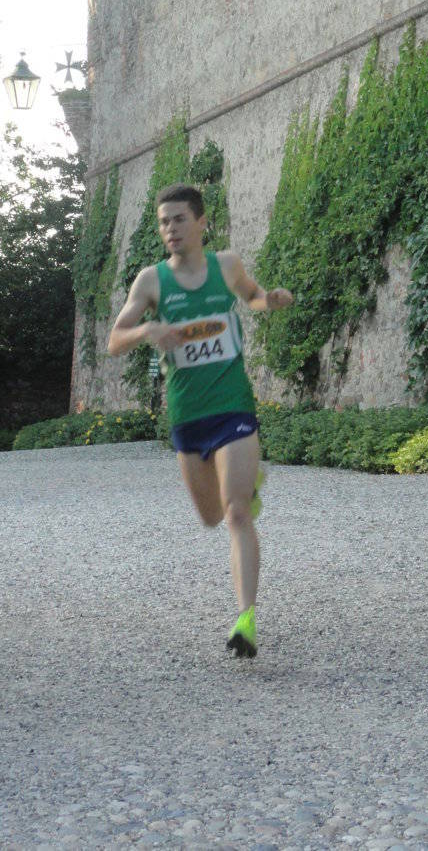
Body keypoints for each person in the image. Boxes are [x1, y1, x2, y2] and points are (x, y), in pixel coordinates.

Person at [108, 183, 293, 658]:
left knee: (235, 513)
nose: (171, 229)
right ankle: (243, 484)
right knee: (211, 517)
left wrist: (268, 300)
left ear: (201, 222)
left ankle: (246, 621)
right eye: (164, 222)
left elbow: (250, 297)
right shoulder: (151, 281)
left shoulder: (226, 266)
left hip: (233, 404)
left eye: (179, 219)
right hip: (187, 413)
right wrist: (149, 328)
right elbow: (115, 340)